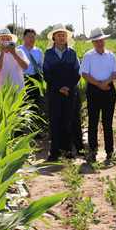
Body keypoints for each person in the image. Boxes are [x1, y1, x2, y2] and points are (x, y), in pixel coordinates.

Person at [79, 27, 116, 162]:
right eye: (96, 41)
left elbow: (115, 72)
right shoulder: (88, 56)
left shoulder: (110, 55)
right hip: (94, 89)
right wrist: (98, 84)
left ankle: (110, 151)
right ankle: (93, 151)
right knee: (93, 122)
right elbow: (84, 73)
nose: (99, 43)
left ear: (104, 40)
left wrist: (105, 83)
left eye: (101, 41)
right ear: (93, 43)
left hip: (108, 88)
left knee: (108, 122)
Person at [43, 24, 81, 162]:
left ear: (66, 38)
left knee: (68, 121)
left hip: (69, 92)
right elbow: (46, 73)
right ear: (54, 37)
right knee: (55, 121)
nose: (61, 38)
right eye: (58, 35)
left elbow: (77, 72)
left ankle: (68, 152)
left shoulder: (72, 53)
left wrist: (68, 87)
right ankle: (54, 152)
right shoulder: (48, 53)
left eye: (63, 35)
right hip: (54, 92)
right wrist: (59, 87)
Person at [17, 28, 44, 115]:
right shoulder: (17, 50)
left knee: (34, 103)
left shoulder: (38, 52)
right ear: (24, 37)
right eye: (29, 37)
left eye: (33, 37)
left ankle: (34, 126)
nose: (32, 39)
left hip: (34, 79)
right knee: (22, 103)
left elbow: (42, 67)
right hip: (21, 79)